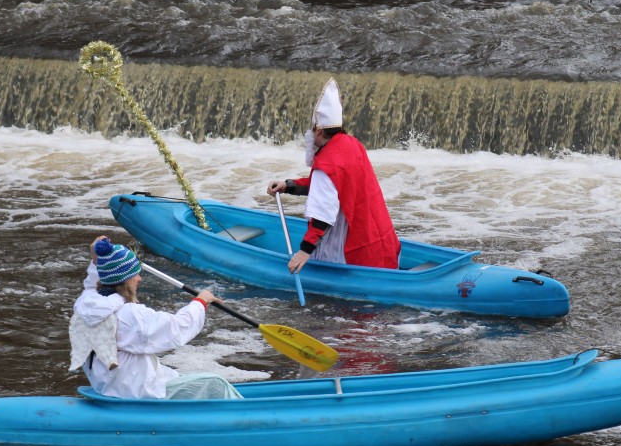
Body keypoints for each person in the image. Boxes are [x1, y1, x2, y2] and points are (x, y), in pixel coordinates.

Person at [68, 236, 242, 400]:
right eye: (135, 274)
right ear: (125, 279)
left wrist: (96, 261)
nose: (139, 278)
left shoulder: (86, 305)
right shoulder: (130, 315)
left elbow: (93, 286)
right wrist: (200, 302)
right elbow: (177, 328)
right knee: (215, 383)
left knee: (177, 375)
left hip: (107, 386)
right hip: (136, 391)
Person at [266, 78, 400, 273]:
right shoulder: (352, 144)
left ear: (320, 130)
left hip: (348, 244)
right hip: (377, 236)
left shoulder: (327, 163)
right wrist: (289, 186)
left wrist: (304, 251)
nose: (311, 134)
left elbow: (323, 215)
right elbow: (331, 185)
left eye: (313, 129)